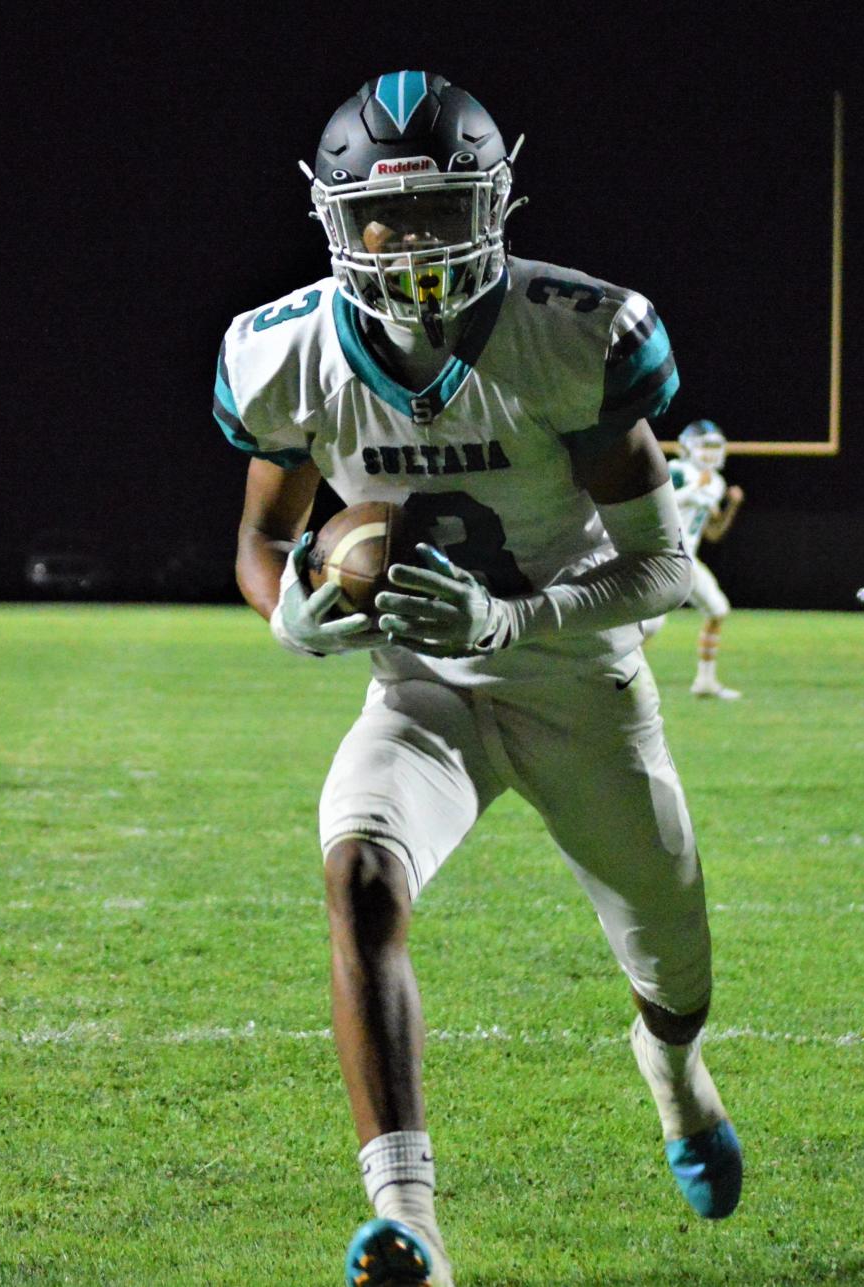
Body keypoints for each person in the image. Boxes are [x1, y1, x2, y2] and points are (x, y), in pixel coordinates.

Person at [214, 71, 742, 1287]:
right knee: (358, 874)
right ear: (336, 218)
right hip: (423, 691)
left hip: (578, 680)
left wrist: (519, 615)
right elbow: (259, 538)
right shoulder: (283, 351)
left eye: (445, 212)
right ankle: (412, 1226)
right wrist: (284, 611)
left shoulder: (575, 332)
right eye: (387, 218)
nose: (414, 245)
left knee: (675, 972)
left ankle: (671, 1072)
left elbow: (664, 565)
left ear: (494, 205)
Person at [644, 421, 746, 699]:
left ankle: (705, 681)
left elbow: (713, 533)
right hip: (662, 557)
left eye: (715, 447)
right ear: (689, 447)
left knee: (718, 610)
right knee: (650, 626)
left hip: (688, 559)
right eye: (705, 447)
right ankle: (619, 679)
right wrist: (691, 490)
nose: (711, 454)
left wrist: (732, 507)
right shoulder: (677, 470)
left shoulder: (716, 482)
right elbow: (654, 504)